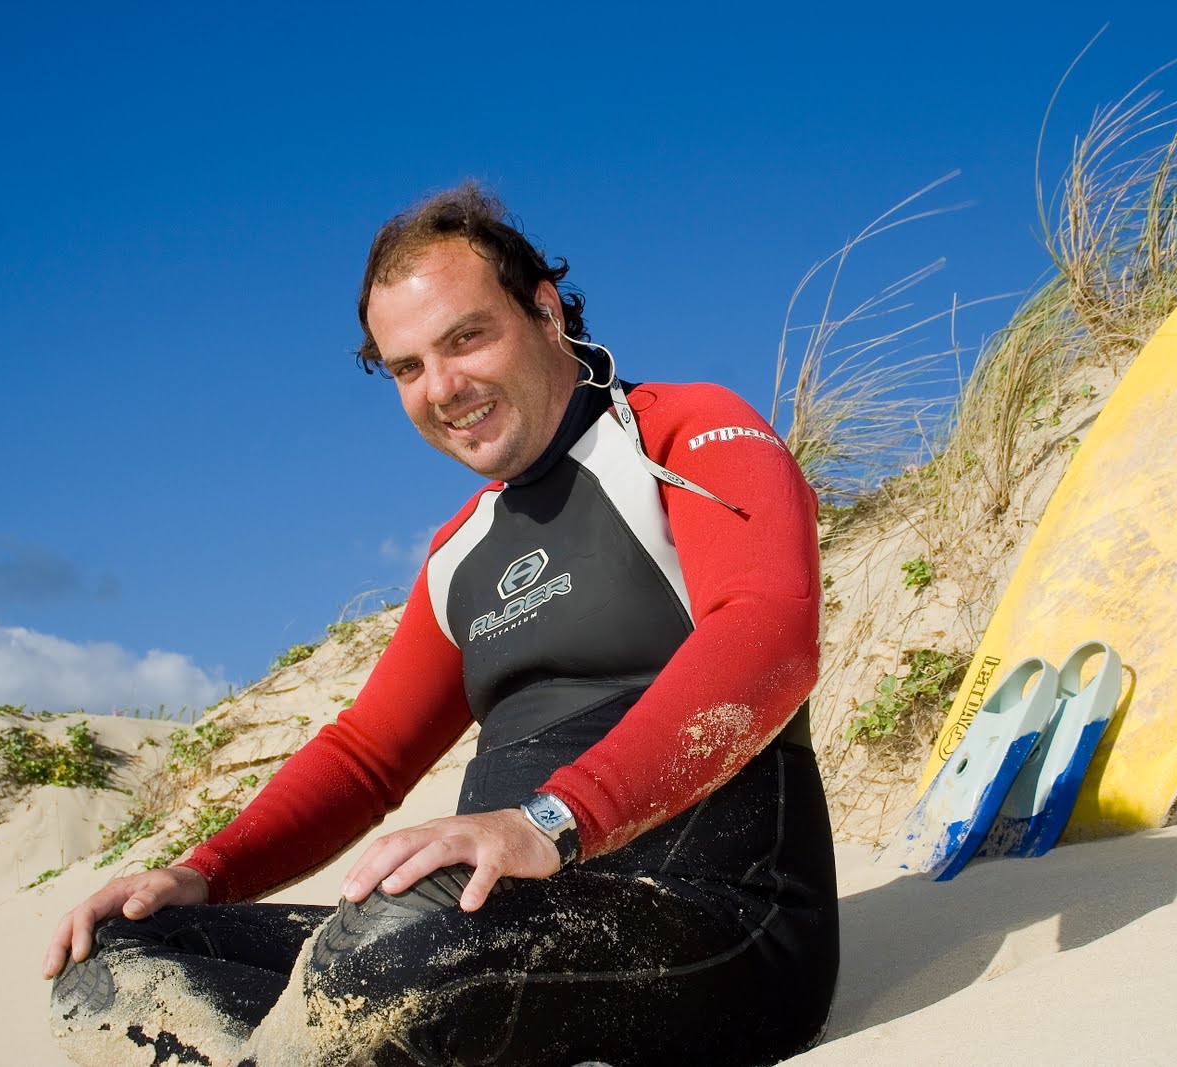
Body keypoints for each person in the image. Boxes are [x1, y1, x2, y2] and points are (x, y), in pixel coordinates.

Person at [42, 183, 840, 1067]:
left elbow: (769, 634)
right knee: (119, 956)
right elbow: (365, 755)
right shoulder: (461, 552)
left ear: (543, 309)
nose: (444, 388)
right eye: (408, 368)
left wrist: (550, 820)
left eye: (467, 338)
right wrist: (203, 875)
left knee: (391, 936)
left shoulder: (682, 433)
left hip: (719, 920)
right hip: (475, 925)